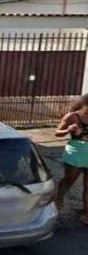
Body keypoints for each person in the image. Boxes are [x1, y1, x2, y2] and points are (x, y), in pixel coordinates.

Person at [55, 94, 88, 225]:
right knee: (69, 180)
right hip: (75, 154)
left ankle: (86, 214)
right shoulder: (73, 116)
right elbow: (57, 132)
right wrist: (68, 129)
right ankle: (58, 201)